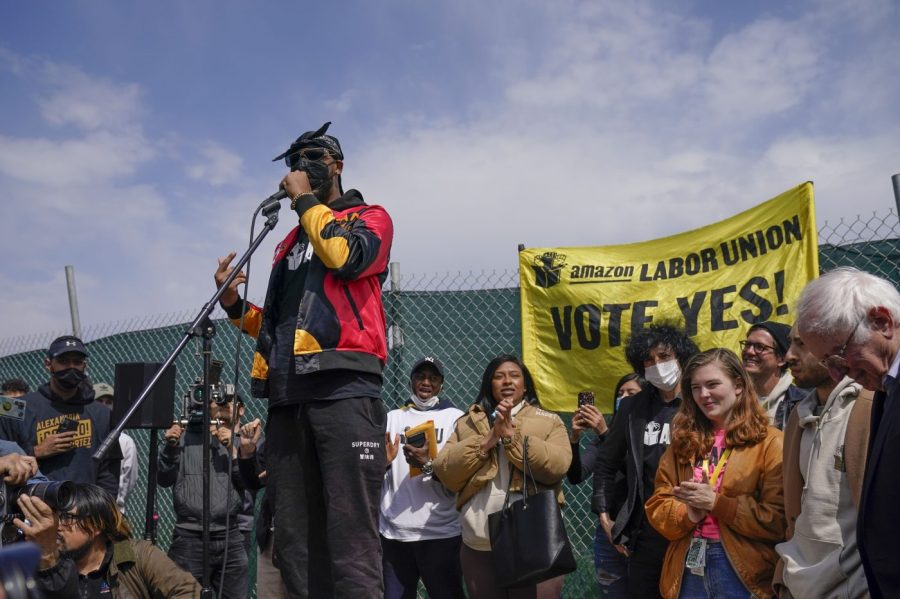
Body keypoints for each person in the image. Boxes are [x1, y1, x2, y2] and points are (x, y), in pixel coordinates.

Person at [214, 121, 393, 598]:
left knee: (351, 533)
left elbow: (345, 259)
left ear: (336, 165)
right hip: (287, 397)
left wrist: (305, 202)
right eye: (295, 162)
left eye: (312, 158)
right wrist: (233, 304)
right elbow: (278, 325)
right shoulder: (286, 244)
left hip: (344, 391)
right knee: (293, 538)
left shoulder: (369, 217)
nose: (300, 168)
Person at [645, 348, 786, 599]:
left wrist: (719, 504)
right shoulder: (682, 442)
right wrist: (688, 513)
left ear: (739, 385)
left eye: (712, 384)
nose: (703, 395)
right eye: (696, 387)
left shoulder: (770, 442)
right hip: (688, 564)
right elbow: (658, 504)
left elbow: (778, 521)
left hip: (745, 570)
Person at [794, 267, 900, 599]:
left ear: (882, 322)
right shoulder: (885, 388)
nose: (839, 374)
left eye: (839, 355)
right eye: (827, 362)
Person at [433, 355, 572, 599]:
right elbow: (445, 471)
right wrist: (487, 441)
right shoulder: (467, 423)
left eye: (514, 375)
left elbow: (558, 465)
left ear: (525, 385)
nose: (507, 381)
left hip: (534, 537)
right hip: (479, 539)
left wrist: (511, 438)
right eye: (499, 376)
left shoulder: (549, 420)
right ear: (489, 384)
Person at [594, 324, 699, 598]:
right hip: (645, 535)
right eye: (649, 360)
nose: (657, 365)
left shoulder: (699, 402)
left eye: (664, 357)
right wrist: (605, 518)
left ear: (681, 356)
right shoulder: (633, 408)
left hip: (693, 528)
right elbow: (606, 463)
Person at [772, 324, 872, 598]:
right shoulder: (799, 418)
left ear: (836, 347)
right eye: (789, 345)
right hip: (801, 582)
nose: (789, 356)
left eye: (801, 345)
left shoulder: (871, 406)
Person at [15, 481, 201, 598]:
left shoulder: (136, 556)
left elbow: (189, 592)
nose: (57, 526)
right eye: (56, 518)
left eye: (66, 518)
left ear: (96, 525)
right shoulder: (46, 568)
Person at [380, 356, 465, 599]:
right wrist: (384, 463)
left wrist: (428, 464)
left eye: (433, 378)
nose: (426, 382)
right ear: (410, 382)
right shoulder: (392, 417)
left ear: (441, 384)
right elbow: (375, 470)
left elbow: (460, 471)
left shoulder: (455, 418)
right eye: (420, 377)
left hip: (441, 531)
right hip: (394, 531)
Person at [0, 336, 120, 499]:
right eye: (64, 361)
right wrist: (36, 451)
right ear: (48, 364)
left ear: (84, 366)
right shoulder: (16, 407)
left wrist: (102, 510)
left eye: (77, 362)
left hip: (83, 512)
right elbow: (4, 458)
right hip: (32, 509)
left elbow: (109, 472)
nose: (71, 367)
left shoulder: (101, 413)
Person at [158, 394, 249, 599]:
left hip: (230, 537)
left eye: (226, 403)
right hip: (189, 537)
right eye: (216, 404)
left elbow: (246, 484)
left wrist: (232, 450)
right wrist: (170, 447)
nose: (221, 408)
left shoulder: (236, 438)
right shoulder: (182, 437)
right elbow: (163, 479)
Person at [574, 373, 644, 598]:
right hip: (609, 532)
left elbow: (636, 470)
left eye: (631, 394)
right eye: (620, 394)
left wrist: (605, 433)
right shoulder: (604, 437)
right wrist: (574, 439)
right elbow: (576, 475)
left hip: (643, 532)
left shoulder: (652, 432)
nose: (623, 398)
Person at [236, 424, 288, 599]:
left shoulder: (325, 428)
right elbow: (254, 480)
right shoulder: (278, 436)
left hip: (310, 538)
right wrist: (247, 451)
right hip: (272, 535)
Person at [740, 321, 804, 430]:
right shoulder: (734, 398)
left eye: (760, 347)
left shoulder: (800, 403)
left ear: (781, 359)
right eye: (747, 344)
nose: (749, 351)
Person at [93, 383, 139, 513]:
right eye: (99, 401)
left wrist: (118, 503)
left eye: (109, 402)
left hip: (112, 511)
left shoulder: (125, 441)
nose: (104, 405)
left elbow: (129, 479)